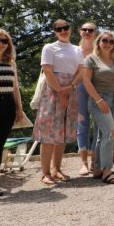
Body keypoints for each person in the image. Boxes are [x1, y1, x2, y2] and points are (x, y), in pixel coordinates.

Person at [33, 19, 84, 185]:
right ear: (55, 32)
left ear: (70, 29)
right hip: (52, 91)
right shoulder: (49, 48)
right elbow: (47, 70)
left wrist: (70, 87)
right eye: (59, 29)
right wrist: (61, 91)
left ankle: (57, 169)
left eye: (65, 27)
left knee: (62, 132)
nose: (63, 31)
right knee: (49, 133)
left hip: (71, 90)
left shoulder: (77, 49)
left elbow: (81, 71)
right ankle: (46, 173)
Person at [82, 30, 114, 184]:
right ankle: (107, 171)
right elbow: (86, 81)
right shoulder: (91, 59)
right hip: (99, 99)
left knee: (103, 135)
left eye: (111, 41)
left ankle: (98, 168)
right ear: (99, 42)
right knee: (111, 132)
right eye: (105, 40)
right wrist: (99, 101)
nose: (108, 44)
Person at [0, 29, 24, 194]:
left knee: (0, 143)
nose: (1, 44)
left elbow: (15, 88)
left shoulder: (11, 63)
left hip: (7, 106)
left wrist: (19, 108)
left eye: (5, 41)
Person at [76, 21, 97, 176]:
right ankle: (84, 163)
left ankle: (94, 161)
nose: (87, 32)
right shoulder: (75, 51)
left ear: (95, 33)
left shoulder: (100, 50)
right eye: (85, 29)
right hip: (79, 90)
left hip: (97, 89)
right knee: (82, 124)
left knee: (98, 125)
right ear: (80, 32)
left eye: (91, 30)